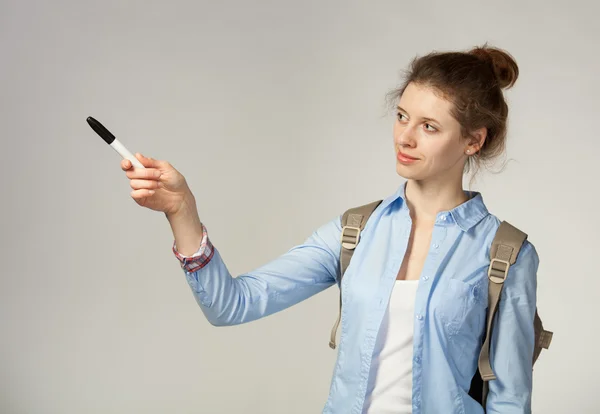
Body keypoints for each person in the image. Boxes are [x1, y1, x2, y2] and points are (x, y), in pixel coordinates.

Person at [120, 44, 538, 413]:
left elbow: (509, 397)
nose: (405, 138)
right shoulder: (354, 231)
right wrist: (181, 210)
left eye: (429, 127)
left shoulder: (505, 252)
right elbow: (232, 305)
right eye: (402, 117)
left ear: (473, 141)